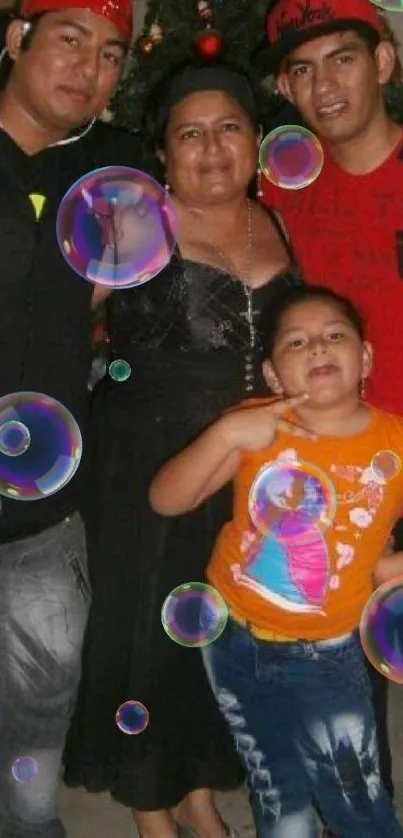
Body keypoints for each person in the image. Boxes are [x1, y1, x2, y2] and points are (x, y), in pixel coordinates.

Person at [63, 61, 303, 838]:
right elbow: (58, 322)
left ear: (255, 142)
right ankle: (151, 808)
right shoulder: (138, 218)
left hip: (244, 464)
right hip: (144, 455)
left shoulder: (274, 221)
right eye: (189, 133)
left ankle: (198, 788)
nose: (210, 148)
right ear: (162, 152)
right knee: (142, 635)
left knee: (212, 627)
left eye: (228, 127)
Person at [149, 283, 403, 838]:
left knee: (356, 798)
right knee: (273, 786)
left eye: (335, 336)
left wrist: (388, 570)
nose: (317, 347)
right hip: (233, 641)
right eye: (296, 342)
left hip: (329, 659)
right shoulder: (253, 424)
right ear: (271, 375)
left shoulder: (397, 443)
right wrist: (227, 432)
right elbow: (167, 499)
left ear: (365, 358)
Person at [0, 0, 140, 834]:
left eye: (114, 54)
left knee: (39, 714)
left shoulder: (113, 169)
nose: (90, 67)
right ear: (15, 38)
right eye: (70, 38)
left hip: (44, 515)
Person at [260, 0, 403, 812]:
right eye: (303, 69)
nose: (325, 83)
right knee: (352, 685)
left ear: (382, 62)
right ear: (285, 86)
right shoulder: (283, 189)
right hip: (340, 465)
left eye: (342, 58)